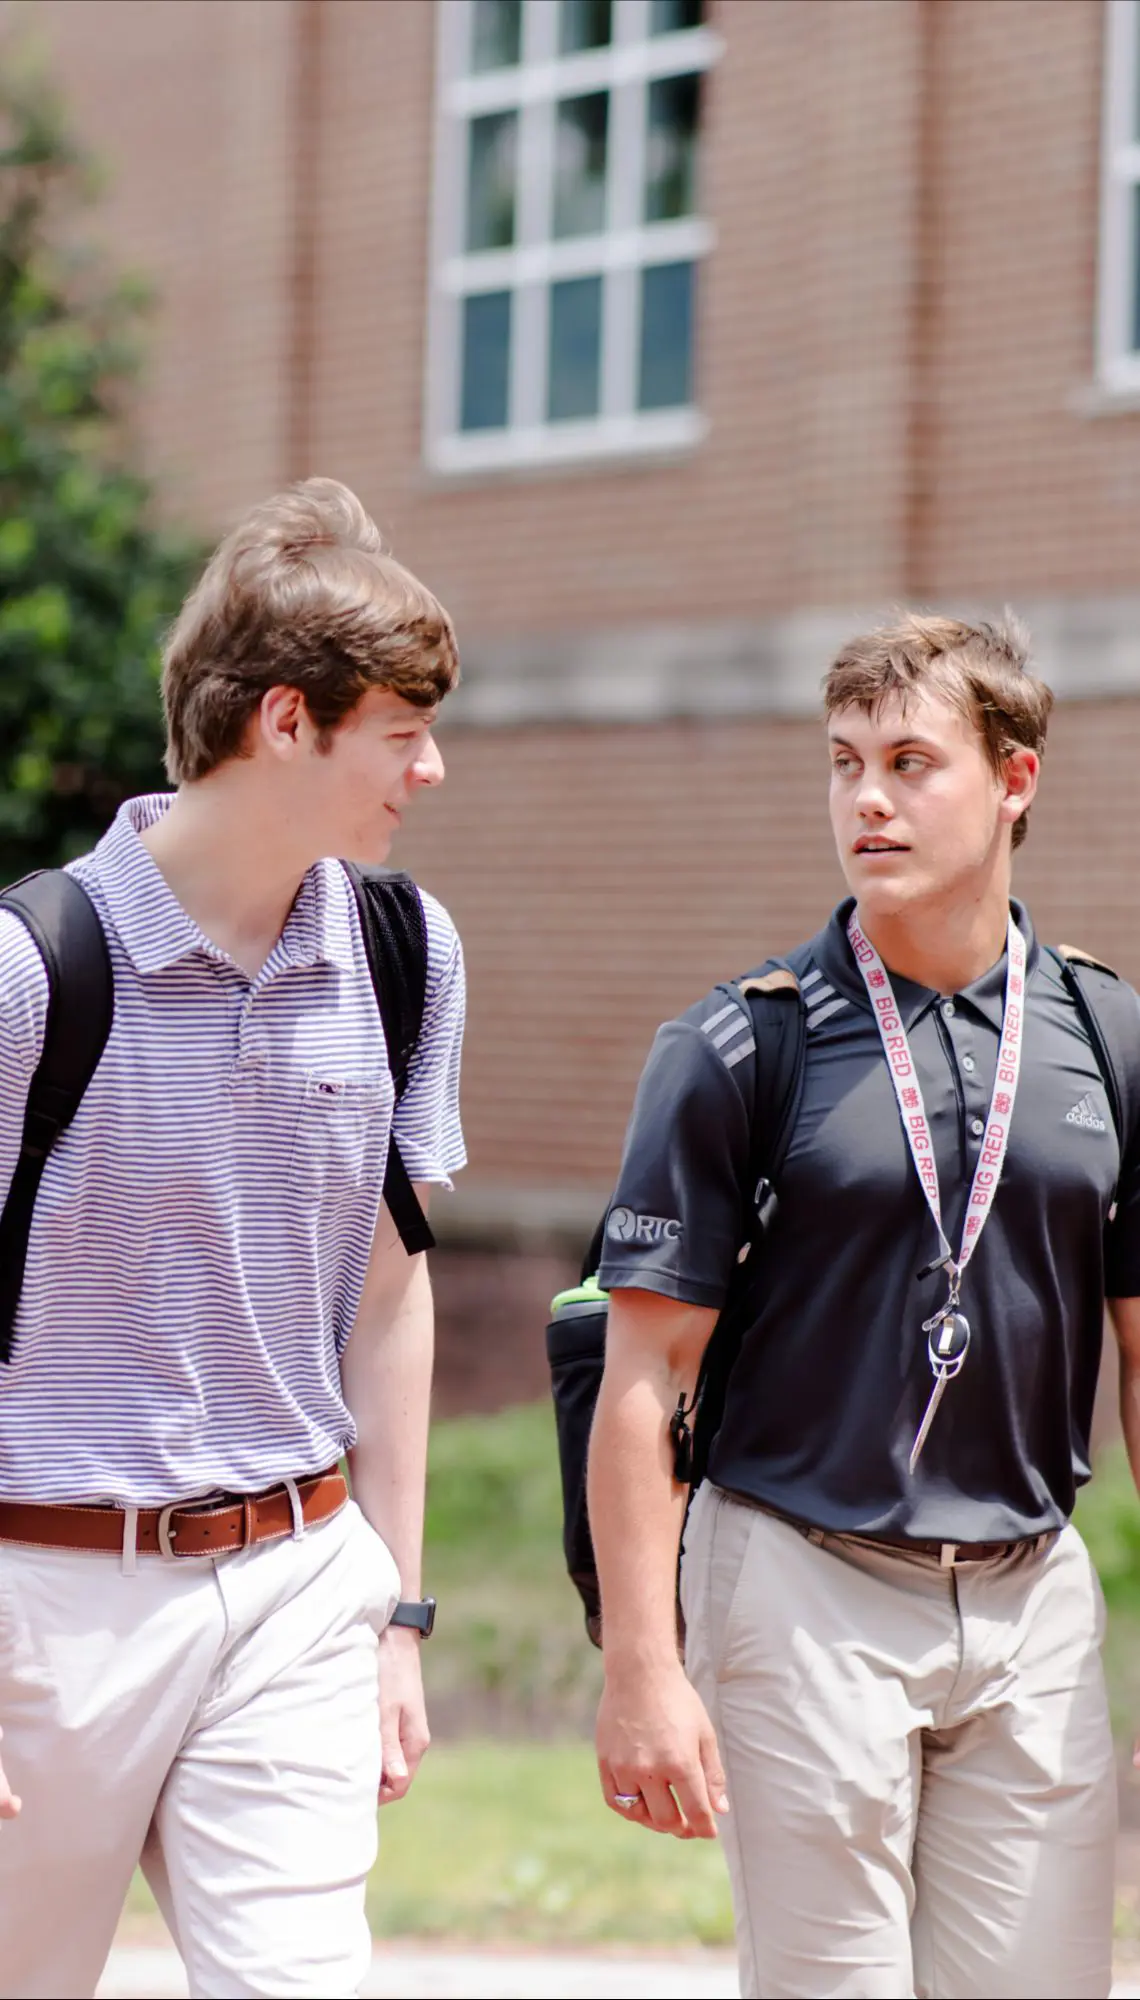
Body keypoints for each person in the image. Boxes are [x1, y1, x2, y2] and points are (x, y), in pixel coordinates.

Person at [588, 613, 1140, 2000]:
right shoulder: (739, 1044)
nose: (868, 800)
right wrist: (644, 1672)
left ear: (1016, 778)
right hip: (798, 1575)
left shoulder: (1110, 1039)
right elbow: (641, 1379)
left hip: (1029, 1596)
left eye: (910, 760)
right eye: (844, 764)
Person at [0, 478, 466, 1999]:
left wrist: (394, 1607)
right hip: (45, 1595)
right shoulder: (32, 969)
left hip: (293, 1586)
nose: (431, 767)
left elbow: (392, 1294)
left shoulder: (403, 954)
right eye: (401, 730)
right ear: (287, 721)